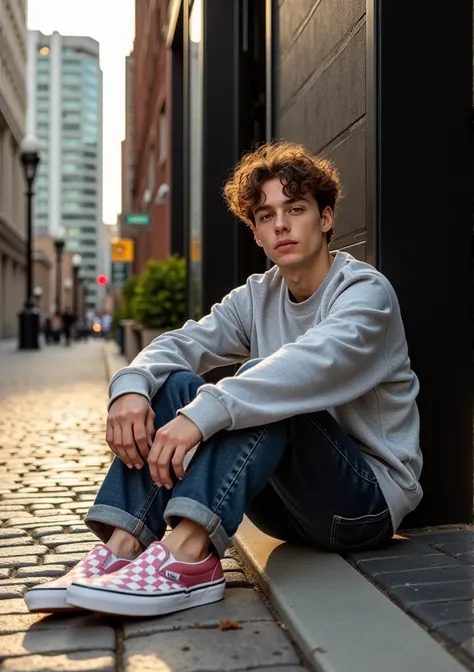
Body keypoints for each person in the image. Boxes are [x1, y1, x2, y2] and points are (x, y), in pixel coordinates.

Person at [25, 141, 422, 617]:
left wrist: (201, 416)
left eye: (295, 209)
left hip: (361, 507)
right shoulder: (257, 295)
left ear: (326, 218)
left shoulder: (364, 294)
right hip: (282, 509)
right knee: (171, 384)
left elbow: (303, 368)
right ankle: (124, 546)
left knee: (260, 385)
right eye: (266, 215)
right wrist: (129, 387)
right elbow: (180, 344)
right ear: (256, 233)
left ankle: (189, 556)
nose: (281, 224)